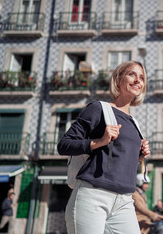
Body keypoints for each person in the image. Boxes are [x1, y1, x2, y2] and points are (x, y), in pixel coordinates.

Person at [58, 60, 151, 234]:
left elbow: (117, 157)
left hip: (124, 200)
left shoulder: (134, 123)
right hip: (93, 196)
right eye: (132, 74)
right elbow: (64, 145)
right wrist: (99, 141)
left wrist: (137, 156)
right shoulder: (99, 109)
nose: (138, 80)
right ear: (118, 80)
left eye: (142, 77)